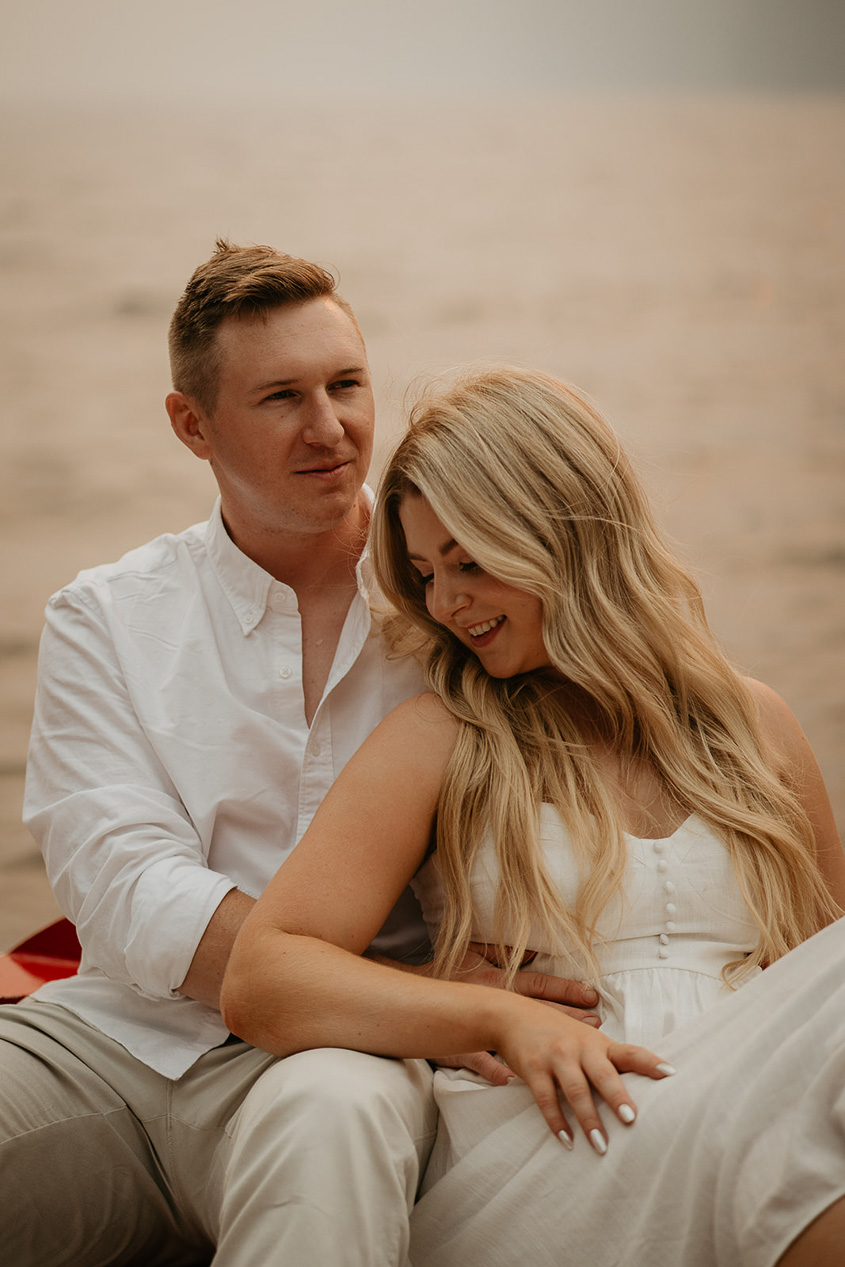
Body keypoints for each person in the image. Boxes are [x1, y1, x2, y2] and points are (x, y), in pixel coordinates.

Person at [0, 246, 596, 1267]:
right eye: (281, 396)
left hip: (344, 1064)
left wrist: (365, 1008)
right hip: (112, 1044)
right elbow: (122, 883)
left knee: (333, 1121)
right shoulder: (106, 615)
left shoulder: (457, 608)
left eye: (346, 385)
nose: (330, 429)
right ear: (193, 425)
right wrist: (368, 982)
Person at [221, 366, 845, 1265]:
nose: (444, 603)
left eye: (469, 562)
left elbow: (809, 987)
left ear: (565, 534)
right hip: (549, 1149)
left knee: (799, 1150)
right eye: (427, 572)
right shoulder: (446, 735)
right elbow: (265, 978)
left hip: (741, 1129)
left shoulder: (752, 726)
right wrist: (491, 1018)